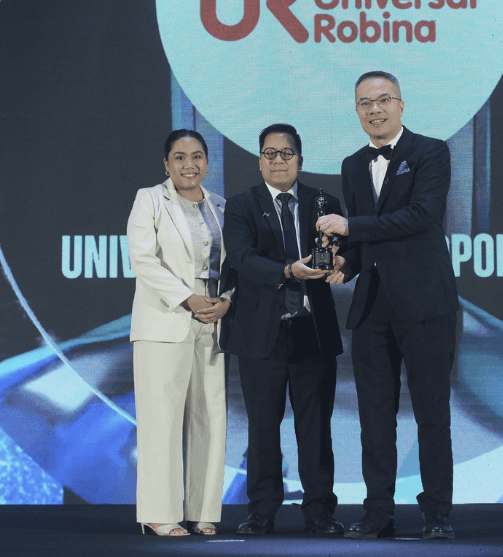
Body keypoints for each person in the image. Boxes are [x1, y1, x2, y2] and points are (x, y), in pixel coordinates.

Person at [316, 71, 459, 540]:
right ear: (356, 111)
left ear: (401, 105)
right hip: (372, 307)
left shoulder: (431, 151)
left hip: (424, 303)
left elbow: (420, 216)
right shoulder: (353, 164)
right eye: (364, 103)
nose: (374, 110)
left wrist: (350, 227)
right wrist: (345, 266)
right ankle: (377, 512)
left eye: (383, 100)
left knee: (431, 413)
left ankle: (437, 514)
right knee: (374, 417)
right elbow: (364, 242)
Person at [221, 124, 344, 536]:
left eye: (286, 153)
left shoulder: (324, 202)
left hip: (313, 330)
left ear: (300, 160)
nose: (278, 161)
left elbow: (344, 252)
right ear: (259, 161)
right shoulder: (240, 206)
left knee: (316, 428)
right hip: (261, 333)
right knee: (262, 427)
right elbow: (241, 259)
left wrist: (342, 264)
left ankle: (320, 512)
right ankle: (262, 510)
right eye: (270, 153)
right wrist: (288, 270)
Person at [126, 129, 231, 537]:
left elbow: (234, 265)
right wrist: (188, 298)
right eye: (180, 157)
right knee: (161, 421)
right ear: (166, 164)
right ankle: (158, 512)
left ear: (207, 162)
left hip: (212, 320)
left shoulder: (220, 205)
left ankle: (203, 511)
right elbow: (144, 260)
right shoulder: (149, 199)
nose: (190, 164)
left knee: (210, 418)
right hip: (164, 319)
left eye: (198, 156)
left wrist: (226, 300)